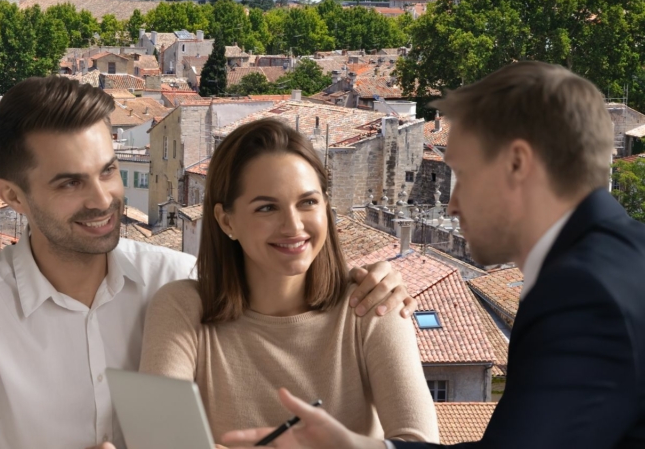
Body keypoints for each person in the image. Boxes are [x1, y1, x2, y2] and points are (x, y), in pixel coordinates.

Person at [0, 76, 416, 449]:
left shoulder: (179, 280)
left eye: (108, 171)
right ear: (12, 196)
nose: (102, 199)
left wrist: (379, 279)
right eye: (70, 183)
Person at [222, 61, 645, 449]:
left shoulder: (583, 292)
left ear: (517, 164)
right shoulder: (618, 261)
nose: (452, 205)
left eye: (462, 175)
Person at [139, 118, 438, 443]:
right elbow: (161, 442)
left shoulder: (371, 306)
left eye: (308, 202)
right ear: (226, 221)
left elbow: (418, 444)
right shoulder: (182, 308)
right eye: (267, 208)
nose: (293, 226)